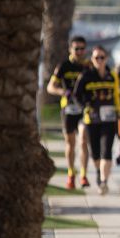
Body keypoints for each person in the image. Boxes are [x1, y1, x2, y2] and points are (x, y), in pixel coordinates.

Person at [72, 45, 120, 195]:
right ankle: (100, 173)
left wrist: (119, 113)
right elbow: (76, 95)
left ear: (106, 58)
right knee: (95, 152)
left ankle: (104, 181)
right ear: (92, 59)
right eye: (96, 58)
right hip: (91, 119)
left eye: (102, 57)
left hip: (109, 119)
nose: (99, 60)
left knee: (107, 150)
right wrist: (84, 107)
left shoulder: (112, 76)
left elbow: (117, 96)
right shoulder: (86, 76)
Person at [46, 36, 90, 189]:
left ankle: (84, 175)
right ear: (71, 49)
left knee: (84, 140)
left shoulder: (88, 66)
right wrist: (62, 92)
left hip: (84, 109)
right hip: (68, 109)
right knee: (70, 143)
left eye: (82, 49)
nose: (79, 52)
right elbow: (50, 87)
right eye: (76, 48)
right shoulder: (64, 66)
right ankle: (71, 173)